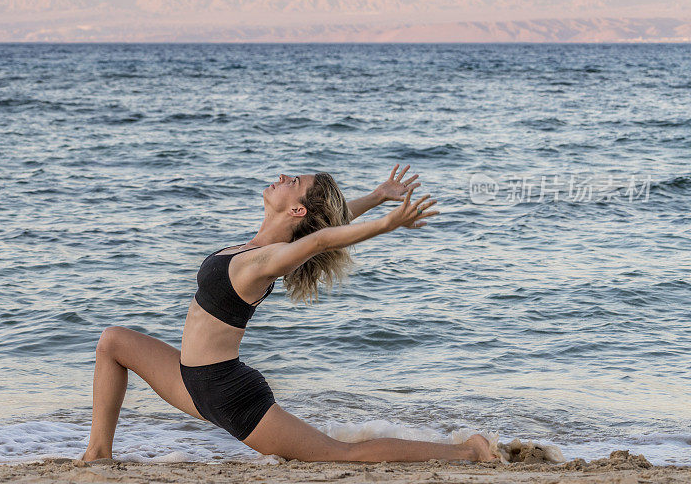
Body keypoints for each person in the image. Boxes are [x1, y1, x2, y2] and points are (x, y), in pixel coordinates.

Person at [82, 164, 496, 463]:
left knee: (341, 454)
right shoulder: (257, 247)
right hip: (190, 380)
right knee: (113, 341)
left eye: (293, 181)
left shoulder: (268, 260)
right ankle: (98, 453)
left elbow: (317, 242)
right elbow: (322, 229)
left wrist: (386, 224)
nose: (282, 176)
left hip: (229, 395)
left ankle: (469, 451)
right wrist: (375, 197)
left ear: (296, 209)